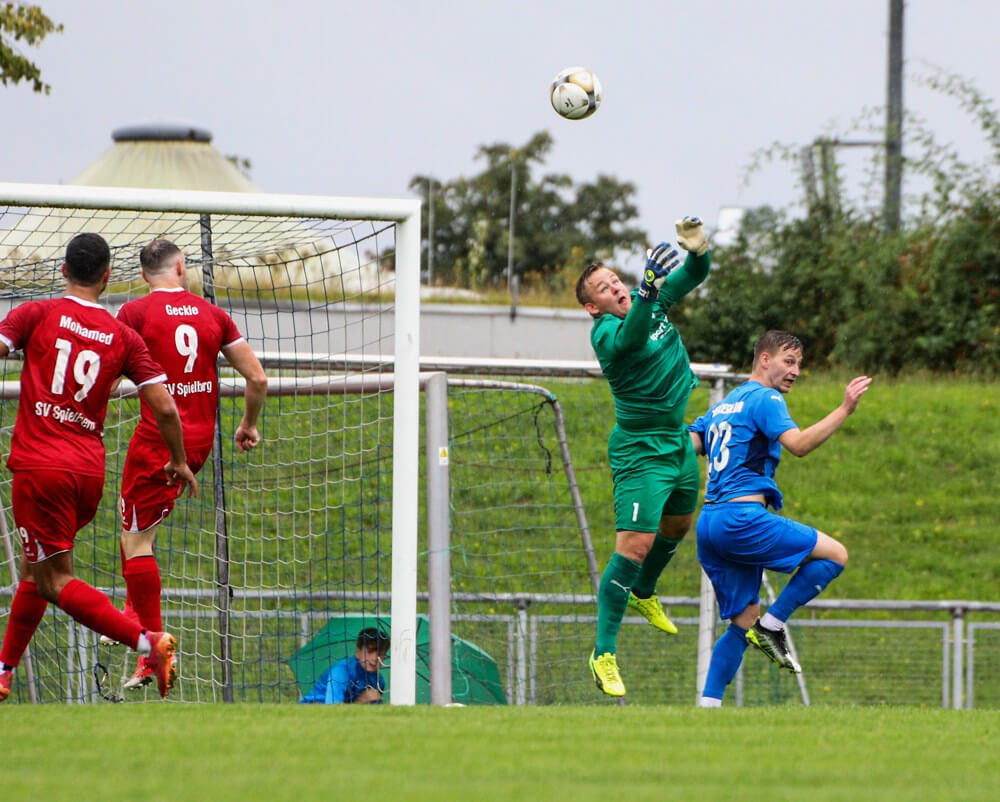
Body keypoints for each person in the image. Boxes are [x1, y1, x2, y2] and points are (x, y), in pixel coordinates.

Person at [0, 233, 198, 702]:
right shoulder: (122, 337)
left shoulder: (37, 314)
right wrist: (179, 459)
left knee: (53, 578)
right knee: (35, 569)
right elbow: (167, 409)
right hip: (88, 473)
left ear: (64, 270)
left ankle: (149, 642)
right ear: (107, 276)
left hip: (41, 465)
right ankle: (4, 670)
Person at [108, 238, 267, 691]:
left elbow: (109, 371)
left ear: (143, 275)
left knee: (135, 540)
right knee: (134, 526)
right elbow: (256, 377)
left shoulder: (135, 314)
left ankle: (151, 650)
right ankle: (135, 613)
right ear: (181, 267)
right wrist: (248, 425)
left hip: (161, 437)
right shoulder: (212, 314)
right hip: (200, 439)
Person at [688, 330, 872, 707]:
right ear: (764, 359)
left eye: (799, 364)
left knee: (742, 622)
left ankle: (707, 709)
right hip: (741, 518)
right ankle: (773, 626)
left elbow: (690, 444)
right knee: (835, 555)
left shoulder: (725, 403)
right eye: (789, 361)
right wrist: (845, 409)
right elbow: (799, 445)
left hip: (708, 524)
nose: (796, 371)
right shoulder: (765, 398)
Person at [575, 216, 711, 697]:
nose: (615, 287)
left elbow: (693, 276)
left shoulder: (650, 302)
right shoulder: (606, 333)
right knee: (633, 546)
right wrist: (649, 292)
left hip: (676, 442)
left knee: (677, 527)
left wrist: (698, 251)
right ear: (594, 307)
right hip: (640, 451)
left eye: (616, 280)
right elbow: (632, 338)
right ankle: (603, 653)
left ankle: (644, 591)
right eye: (604, 289)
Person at [300, 627, 390, 704]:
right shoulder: (341, 671)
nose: (375, 658)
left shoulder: (379, 680)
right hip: (313, 709)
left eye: (380, 653)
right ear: (358, 652)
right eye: (370, 651)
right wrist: (359, 701)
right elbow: (332, 707)